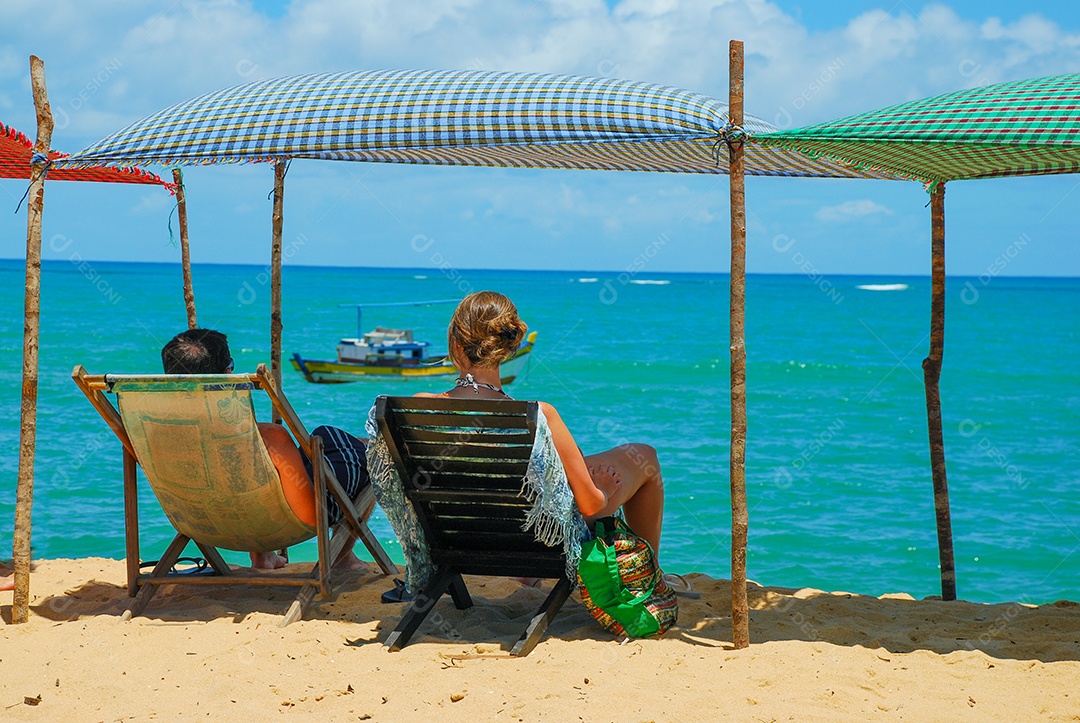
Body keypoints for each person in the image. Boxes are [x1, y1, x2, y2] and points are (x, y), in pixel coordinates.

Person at [416, 291, 694, 595]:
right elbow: (589, 505)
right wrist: (601, 489)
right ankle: (649, 575)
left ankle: (528, 578)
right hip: (538, 540)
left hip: (458, 539)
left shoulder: (418, 408)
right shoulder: (540, 415)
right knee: (645, 457)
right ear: (509, 348)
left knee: (565, 467)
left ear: (456, 345)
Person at [161, 328, 368, 571]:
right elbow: (310, 516)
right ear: (227, 374)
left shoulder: (155, 435)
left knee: (314, 444)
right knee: (365, 454)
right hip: (271, 526)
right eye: (231, 365)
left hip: (198, 524)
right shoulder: (268, 437)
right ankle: (341, 555)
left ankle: (263, 556)